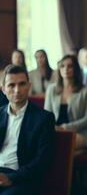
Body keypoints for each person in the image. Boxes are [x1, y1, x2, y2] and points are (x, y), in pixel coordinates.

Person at [0, 64, 55, 194]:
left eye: (22, 84)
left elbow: (43, 160)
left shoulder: (44, 118)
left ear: (29, 86)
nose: (17, 90)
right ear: (3, 89)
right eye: (11, 85)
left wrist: (11, 178)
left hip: (23, 177)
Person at [44, 55, 87, 151]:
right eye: (62, 66)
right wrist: (54, 128)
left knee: (61, 144)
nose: (66, 69)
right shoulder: (51, 89)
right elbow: (46, 115)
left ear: (75, 69)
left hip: (79, 133)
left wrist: (65, 127)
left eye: (70, 66)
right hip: (55, 131)